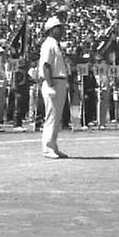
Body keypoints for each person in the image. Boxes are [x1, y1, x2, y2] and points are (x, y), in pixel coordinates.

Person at [38, 16, 68, 158]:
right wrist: (50, 85)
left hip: (59, 81)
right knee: (52, 116)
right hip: (53, 81)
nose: (61, 31)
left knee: (57, 117)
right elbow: (46, 66)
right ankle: (48, 147)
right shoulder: (48, 44)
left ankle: (53, 146)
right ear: (51, 30)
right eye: (58, 28)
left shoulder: (55, 44)